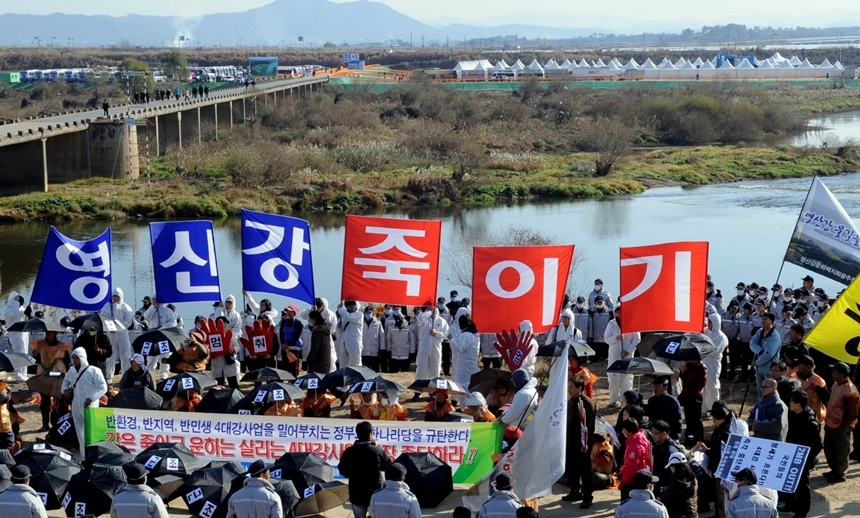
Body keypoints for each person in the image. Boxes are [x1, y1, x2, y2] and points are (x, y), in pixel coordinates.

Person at [339, 421, 393, 518]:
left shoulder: (349, 452)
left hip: (356, 492)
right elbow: (388, 467)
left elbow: (343, 470)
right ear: (370, 434)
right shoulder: (377, 451)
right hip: (376, 493)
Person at [62, 348, 108, 453]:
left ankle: (93, 454)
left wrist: (91, 398)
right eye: (73, 358)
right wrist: (65, 390)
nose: (74, 360)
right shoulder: (72, 370)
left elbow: (103, 387)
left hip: (90, 404)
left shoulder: (94, 370)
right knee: (80, 431)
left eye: (76, 358)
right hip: (76, 402)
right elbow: (65, 381)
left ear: (82, 358)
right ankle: (84, 456)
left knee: (90, 430)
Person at [785, 390, 821, 518]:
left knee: (802, 485)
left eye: (791, 401)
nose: (789, 403)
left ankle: (802, 512)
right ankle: (791, 504)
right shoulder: (793, 413)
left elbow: (818, 445)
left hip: (802, 458)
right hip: (791, 453)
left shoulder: (809, 422)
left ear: (798, 405)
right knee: (788, 481)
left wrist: (805, 460)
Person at [823, 361, 860, 483]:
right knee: (829, 448)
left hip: (841, 426)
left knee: (841, 450)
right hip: (830, 423)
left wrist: (843, 426)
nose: (832, 374)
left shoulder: (850, 391)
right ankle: (834, 470)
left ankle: (840, 473)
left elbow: (852, 413)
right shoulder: (835, 385)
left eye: (835, 372)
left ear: (843, 374)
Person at [562, 377, 595, 509]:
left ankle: (587, 496)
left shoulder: (587, 403)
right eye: (569, 387)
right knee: (572, 468)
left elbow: (588, 426)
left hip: (583, 443)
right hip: (570, 441)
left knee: (585, 470)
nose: (569, 390)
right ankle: (575, 490)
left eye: (572, 387)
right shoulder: (571, 402)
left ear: (580, 388)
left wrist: (584, 443)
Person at [30, 330, 72, 431]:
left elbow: (67, 362)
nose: (48, 334)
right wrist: (35, 354)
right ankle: (45, 424)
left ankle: (59, 423)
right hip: (44, 374)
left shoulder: (62, 346)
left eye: (51, 332)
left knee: (59, 400)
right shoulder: (39, 344)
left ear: (56, 333)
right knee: (45, 400)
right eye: (47, 332)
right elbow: (36, 360)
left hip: (58, 374)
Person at [604, 305, 640, 409]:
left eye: (621, 311)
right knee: (613, 379)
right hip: (614, 356)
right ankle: (613, 400)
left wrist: (627, 351)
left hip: (627, 357)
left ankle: (626, 403)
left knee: (626, 380)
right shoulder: (611, 324)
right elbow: (607, 339)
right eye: (617, 312)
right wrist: (616, 338)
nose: (619, 314)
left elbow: (637, 339)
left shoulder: (632, 322)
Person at [100, 287, 135, 380]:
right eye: (114, 296)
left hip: (122, 333)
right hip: (110, 334)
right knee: (111, 354)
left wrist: (117, 327)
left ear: (121, 297)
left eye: (117, 296)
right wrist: (109, 327)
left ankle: (126, 375)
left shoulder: (126, 308)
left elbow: (128, 322)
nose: (115, 298)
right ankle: (109, 376)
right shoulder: (107, 306)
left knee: (125, 354)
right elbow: (103, 318)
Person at [618, 418, 653, 501]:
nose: (622, 431)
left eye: (624, 429)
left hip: (632, 481)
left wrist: (623, 482)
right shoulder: (639, 439)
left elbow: (631, 467)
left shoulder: (635, 446)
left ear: (629, 431)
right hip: (637, 478)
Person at [414, 307, 450, 383]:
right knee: (421, 369)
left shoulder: (442, 321)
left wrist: (436, 333)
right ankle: (418, 391)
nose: (434, 311)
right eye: (432, 309)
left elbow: (447, 335)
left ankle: (433, 391)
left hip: (436, 349)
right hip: (424, 348)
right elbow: (419, 317)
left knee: (435, 370)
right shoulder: (424, 320)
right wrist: (429, 312)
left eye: (435, 309)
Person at [750, 312, 781, 399]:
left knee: (770, 392)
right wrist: (759, 351)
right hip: (759, 369)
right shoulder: (760, 331)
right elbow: (752, 343)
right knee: (761, 391)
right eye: (762, 319)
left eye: (765, 319)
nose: (763, 321)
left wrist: (757, 362)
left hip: (769, 369)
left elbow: (769, 354)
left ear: (772, 321)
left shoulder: (775, 336)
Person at [452, 316, 480, 406]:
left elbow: (461, 348)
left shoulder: (466, 335)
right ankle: (466, 406)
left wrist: (451, 340)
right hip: (469, 363)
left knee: (462, 387)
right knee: (466, 386)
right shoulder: (472, 334)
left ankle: (469, 406)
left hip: (464, 365)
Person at [704, 311, 729, 411]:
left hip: (713, 364)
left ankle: (715, 409)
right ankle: (705, 409)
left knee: (713, 386)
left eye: (710, 322)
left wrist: (705, 346)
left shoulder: (721, 337)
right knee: (705, 386)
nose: (708, 324)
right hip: (705, 362)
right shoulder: (708, 333)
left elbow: (714, 352)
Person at [660, 453, 697, 518]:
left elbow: (665, 503)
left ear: (674, 467)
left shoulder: (675, 484)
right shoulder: (693, 480)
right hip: (693, 514)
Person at [646, 377, 683, 441]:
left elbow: (677, 420)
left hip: (668, 435)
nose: (655, 388)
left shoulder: (672, 401)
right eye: (654, 386)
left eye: (658, 386)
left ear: (665, 387)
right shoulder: (651, 400)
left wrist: (676, 436)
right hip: (654, 434)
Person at [2, 292, 29, 381]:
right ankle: (20, 375)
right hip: (15, 334)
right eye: (16, 298)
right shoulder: (7, 309)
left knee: (24, 354)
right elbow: (13, 314)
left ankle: (23, 374)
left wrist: (28, 311)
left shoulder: (21, 308)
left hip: (24, 333)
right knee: (19, 354)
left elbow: (24, 316)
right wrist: (16, 303)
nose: (18, 300)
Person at [679, 360, 707, 444]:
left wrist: (691, 390)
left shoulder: (701, 367)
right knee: (688, 418)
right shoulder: (689, 365)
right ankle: (689, 437)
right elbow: (684, 378)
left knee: (696, 419)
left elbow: (702, 382)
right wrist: (683, 372)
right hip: (686, 396)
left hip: (695, 397)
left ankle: (699, 437)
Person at [651, 420, 681, 497]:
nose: (653, 435)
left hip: (666, 492)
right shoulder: (658, 446)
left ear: (664, 434)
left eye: (655, 433)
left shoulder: (669, 451)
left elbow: (668, 476)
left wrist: (661, 493)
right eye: (652, 433)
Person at [795, 355, 827, 425]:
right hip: (799, 414)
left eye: (801, 364)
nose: (798, 366)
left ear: (808, 367)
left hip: (813, 417)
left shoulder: (818, 381)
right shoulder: (797, 376)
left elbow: (826, 399)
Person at [278, 305, 305, 376]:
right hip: (284, 348)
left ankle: (294, 382)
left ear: (294, 312)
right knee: (285, 366)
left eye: (290, 311)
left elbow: (297, 335)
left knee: (294, 366)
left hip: (294, 348)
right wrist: (283, 343)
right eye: (287, 311)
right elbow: (281, 334)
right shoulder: (284, 322)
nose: (288, 313)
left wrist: (288, 344)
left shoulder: (298, 323)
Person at [337, 300, 364, 367]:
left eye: (352, 305)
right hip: (345, 342)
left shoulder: (359, 314)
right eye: (349, 306)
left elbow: (349, 317)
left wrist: (340, 309)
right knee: (343, 364)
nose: (351, 307)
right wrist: (338, 327)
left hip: (354, 342)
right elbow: (340, 331)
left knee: (355, 363)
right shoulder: (344, 316)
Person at [587, 296, 613, 361]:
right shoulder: (592, 312)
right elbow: (590, 326)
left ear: (604, 302)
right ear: (595, 303)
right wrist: (590, 337)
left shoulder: (609, 312)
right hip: (595, 341)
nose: (599, 303)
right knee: (594, 360)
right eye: (598, 302)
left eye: (601, 302)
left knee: (605, 360)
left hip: (605, 340)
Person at [362, 306, 385, 371]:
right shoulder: (360, 322)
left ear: (373, 313)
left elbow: (382, 336)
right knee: (364, 371)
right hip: (364, 351)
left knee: (375, 370)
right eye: (367, 312)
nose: (368, 314)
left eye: (370, 312)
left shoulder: (378, 323)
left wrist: (382, 348)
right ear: (364, 313)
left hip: (374, 351)